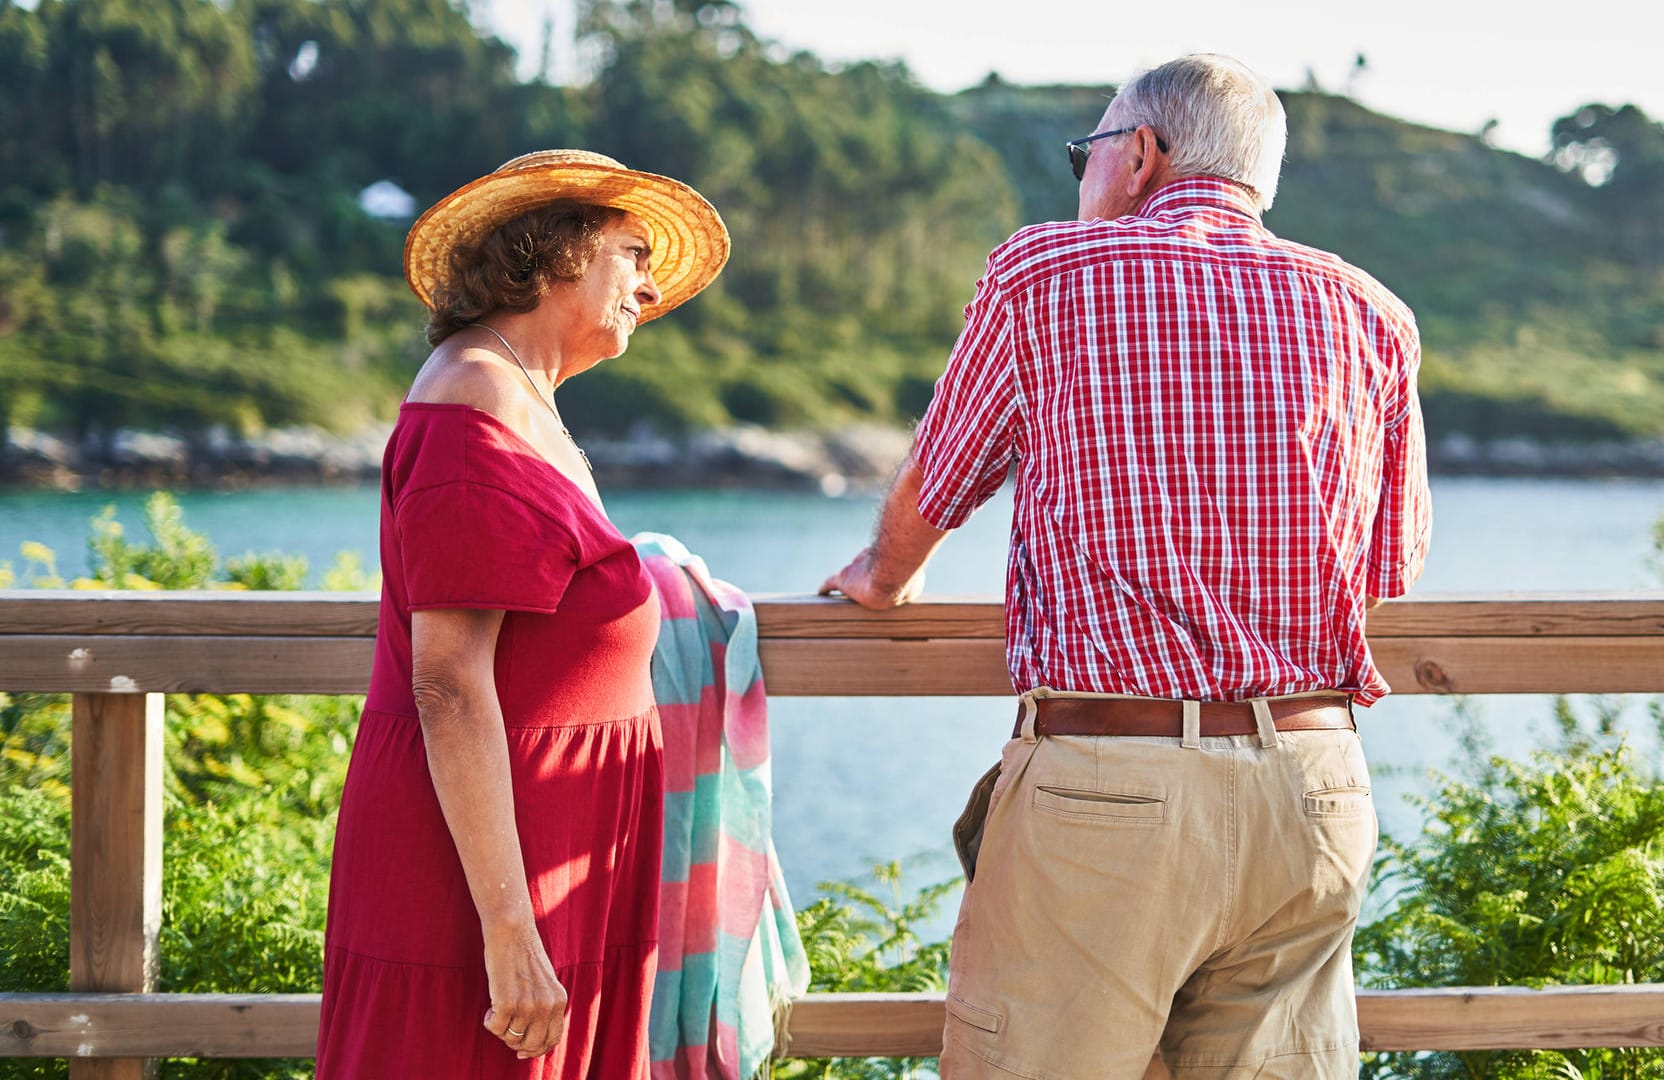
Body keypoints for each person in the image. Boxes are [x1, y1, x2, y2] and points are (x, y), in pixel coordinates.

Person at [820, 54, 1430, 1079]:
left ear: (1141, 154)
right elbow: (1387, 564)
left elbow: (942, 481)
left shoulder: (1046, 275)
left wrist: (881, 579)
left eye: (1087, 152)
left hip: (1114, 792)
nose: (1082, 177)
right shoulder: (1373, 312)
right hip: (1316, 788)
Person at [317, 149, 729, 1078]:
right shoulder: (474, 401)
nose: (651, 288)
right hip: (483, 871)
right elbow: (449, 680)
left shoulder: (525, 401)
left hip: (551, 844)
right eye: (633, 253)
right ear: (557, 255)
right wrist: (509, 927)